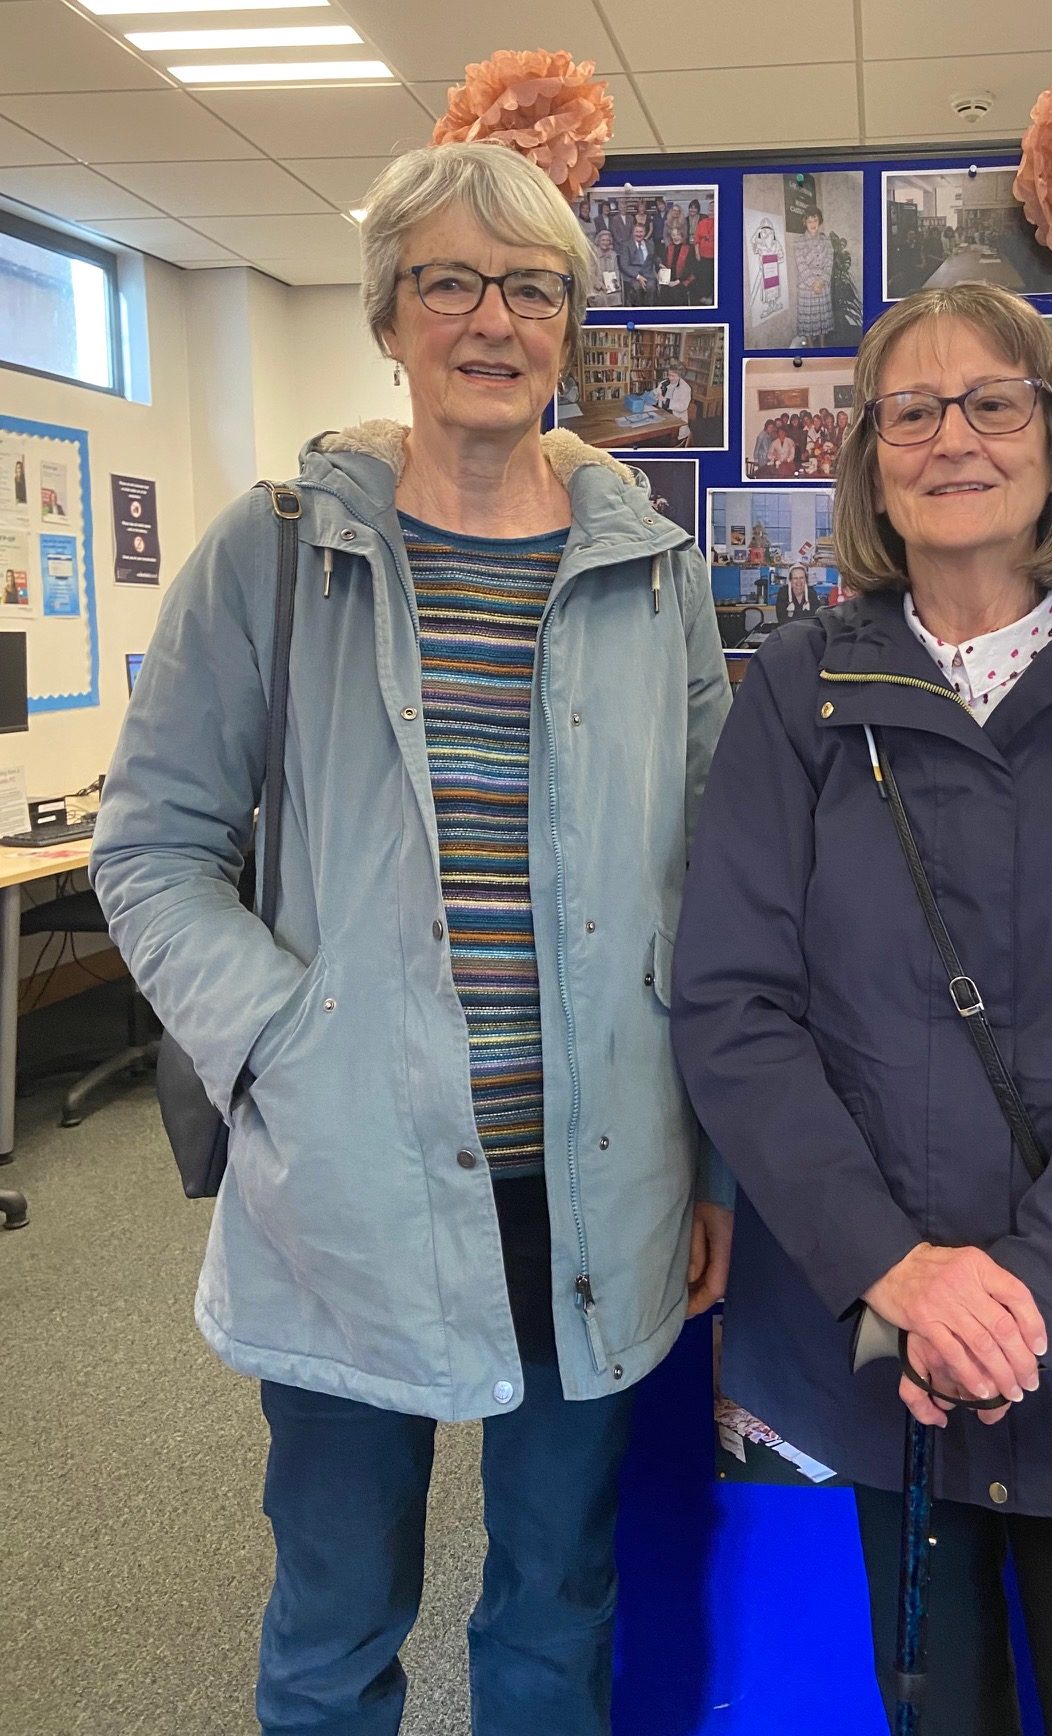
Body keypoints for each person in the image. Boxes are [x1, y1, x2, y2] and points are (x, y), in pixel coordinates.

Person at [91, 140, 734, 1736]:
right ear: (389, 316)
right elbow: (151, 848)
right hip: (353, 1193)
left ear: (568, 326)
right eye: (448, 281)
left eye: (528, 288)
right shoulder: (276, 550)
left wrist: (714, 1166)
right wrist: (287, 1044)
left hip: (592, 1185)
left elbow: (718, 885)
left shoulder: (654, 573)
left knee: (553, 1608)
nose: (490, 319)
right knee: (332, 1616)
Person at [669, 281, 1052, 1736]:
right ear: (872, 458)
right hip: (867, 1353)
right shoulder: (798, 695)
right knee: (908, 1703)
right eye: (911, 409)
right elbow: (730, 1004)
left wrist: (1022, 1303)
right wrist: (898, 1271)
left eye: (992, 401)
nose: (953, 437)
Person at [794, 206, 834, 347]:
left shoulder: (826, 240)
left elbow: (829, 262)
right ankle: (811, 348)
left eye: (815, 220)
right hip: (806, 288)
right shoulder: (798, 241)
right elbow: (801, 264)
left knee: (822, 319)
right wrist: (813, 283)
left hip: (823, 286)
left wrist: (822, 281)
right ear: (805, 222)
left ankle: (823, 347)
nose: (812, 224)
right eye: (809, 220)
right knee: (809, 322)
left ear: (819, 221)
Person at [657, 214, 697, 306]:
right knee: (664, 292)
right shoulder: (669, 248)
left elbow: (689, 269)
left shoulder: (689, 249)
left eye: (678, 235)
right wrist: (661, 267)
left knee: (676, 293)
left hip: (684, 279)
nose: (676, 237)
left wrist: (676, 282)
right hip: (670, 279)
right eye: (673, 235)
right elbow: (664, 263)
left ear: (682, 236)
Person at [618, 210, 657, 305]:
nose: (639, 234)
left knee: (651, 287)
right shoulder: (625, 245)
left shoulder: (650, 244)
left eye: (641, 232)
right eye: (637, 232)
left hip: (648, 274)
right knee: (637, 287)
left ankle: (649, 313)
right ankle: (638, 313)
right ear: (633, 232)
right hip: (632, 276)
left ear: (645, 233)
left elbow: (654, 257)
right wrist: (638, 276)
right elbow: (624, 265)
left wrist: (660, 264)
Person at [653, 362, 694, 445]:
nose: (670, 378)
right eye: (669, 375)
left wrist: (665, 400)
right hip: (663, 416)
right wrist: (653, 395)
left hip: (676, 419)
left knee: (662, 440)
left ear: (680, 376)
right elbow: (656, 392)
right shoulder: (664, 383)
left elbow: (682, 406)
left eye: (673, 376)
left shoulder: (685, 388)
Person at [587, 227, 623, 307]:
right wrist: (600, 285)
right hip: (595, 286)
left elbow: (616, 271)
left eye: (607, 240)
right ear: (598, 241)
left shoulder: (613, 255)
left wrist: (615, 284)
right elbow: (590, 274)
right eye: (603, 240)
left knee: (615, 296)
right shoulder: (592, 254)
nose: (605, 242)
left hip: (610, 285)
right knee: (600, 298)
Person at [690, 197, 716, 303]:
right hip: (703, 256)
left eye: (714, 208)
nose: (712, 210)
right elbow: (697, 239)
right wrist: (697, 253)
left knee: (713, 277)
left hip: (715, 257)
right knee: (703, 277)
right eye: (710, 208)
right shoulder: (702, 222)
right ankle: (703, 296)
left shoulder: (721, 222)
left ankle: (712, 297)